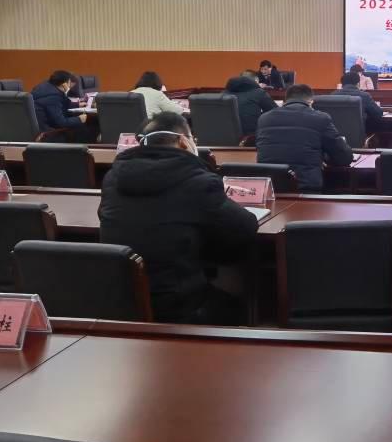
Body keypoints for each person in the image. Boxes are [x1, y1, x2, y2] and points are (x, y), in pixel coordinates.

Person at [98, 112, 258, 325]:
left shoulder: (112, 178)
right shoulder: (198, 181)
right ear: (184, 141)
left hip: (121, 303)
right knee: (238, 298)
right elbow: (245, 227)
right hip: (178, 307)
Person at [255, 84, 354, 191]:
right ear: (311, 102)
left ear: (285, 101)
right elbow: (344, 157)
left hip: (269, 187)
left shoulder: (264, 118)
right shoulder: (320, 118)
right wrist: (323, 156)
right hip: (305, 187)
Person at [31, 70, 97, 142]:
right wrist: (79, 119)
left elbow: (61, 103)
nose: (70, 86)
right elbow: (61, 122)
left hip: (39, 129)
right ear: (64, 84)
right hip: (47, 133)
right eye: (69, 82)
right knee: (84, 129)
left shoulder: (45, 88)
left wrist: (77, 104)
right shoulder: (53, 97)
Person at [225, 70, 278, 137]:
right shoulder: (259, 93)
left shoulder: (224, 93)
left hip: (225, 136)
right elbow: (275, 112)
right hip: (251, 137)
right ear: (256, 80)